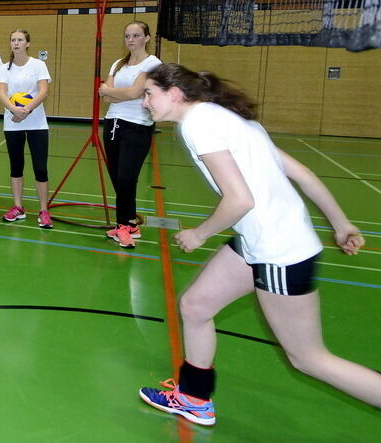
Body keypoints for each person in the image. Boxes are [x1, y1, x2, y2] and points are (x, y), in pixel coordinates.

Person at [137, 63, 381, 425]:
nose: (144, 103)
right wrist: (341, 223)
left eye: (149, 93)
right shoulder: (231, 119)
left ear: (174, 93)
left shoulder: (198, 125)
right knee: (195, 305)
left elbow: (239, 200)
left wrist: (199, 233)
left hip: (278, 251)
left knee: (309, 358)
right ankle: (194, 398)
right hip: (260, 242)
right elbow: (304, 174)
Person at [97, 21, 161, 248]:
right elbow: (107, 98)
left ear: (146, 38)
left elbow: (135, 92)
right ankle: (130, 224)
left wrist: (111, 91)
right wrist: (117, 94)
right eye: (127, 36)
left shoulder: (153, 63)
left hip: (138, 126)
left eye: (136, 35)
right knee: (117, 177)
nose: (131, 40)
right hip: (113, 124)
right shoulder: (118, 63)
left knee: (127, 177)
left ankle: (124, 225)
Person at [0, 29, 53, 229]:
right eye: (13, 40)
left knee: (40, 168)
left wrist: (26, 110)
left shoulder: (38, 65)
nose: (16, 43)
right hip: (13, 123)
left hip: (36, 123)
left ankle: (44, 211)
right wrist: (14, 110)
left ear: (27, 43)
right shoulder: (5, 68)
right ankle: (18, 207)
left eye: (20, 40)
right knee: (16, 166)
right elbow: (2, 93)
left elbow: (43, 91)